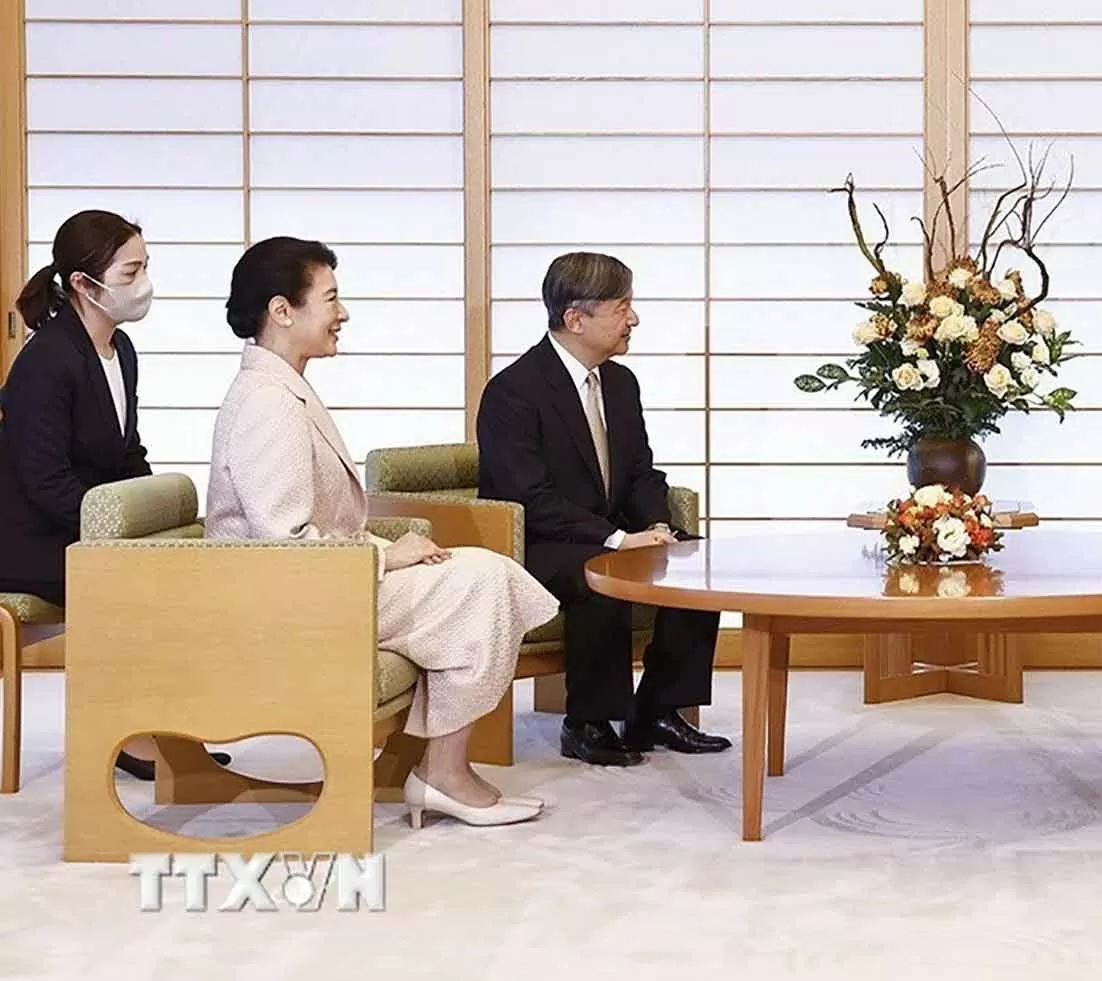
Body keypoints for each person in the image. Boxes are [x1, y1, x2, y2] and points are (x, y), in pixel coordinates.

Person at [204, 237, 556, 829]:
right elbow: (284, 548)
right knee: (482, 584)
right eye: (331, 298)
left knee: (476, 573)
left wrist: (388, 550)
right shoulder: (269, 402)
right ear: (281, 310)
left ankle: (443, 769)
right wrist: (388, 559)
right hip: (288, 600)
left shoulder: (281, 385)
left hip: (324, 581)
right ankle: (442, 774)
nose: (342, 314)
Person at [476, 252, 727, 767]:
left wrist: (657, 525)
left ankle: (658, 710)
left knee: (695, 566)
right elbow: (530, 498)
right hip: (538, 543)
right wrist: (617, 540)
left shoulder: (619, 382)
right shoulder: (513, 392)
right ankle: (586, 722)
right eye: (622, 307)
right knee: (601, 575)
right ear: (576, 319)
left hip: (607, 533)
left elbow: (640, 472)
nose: (633, 319)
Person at [0, 209, 211, 781]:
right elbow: (45, 483)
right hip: (36, 540)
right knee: (138, 581)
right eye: (129, 273)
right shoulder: (46, 361)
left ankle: (170, 719)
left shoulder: (122, 352)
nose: (142, 285)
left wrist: (156, 515)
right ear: (83, 285)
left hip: (89, 529)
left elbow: (128, 456)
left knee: (191, 567)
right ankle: (131, 734)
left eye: (145, 268)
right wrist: (113, 534)